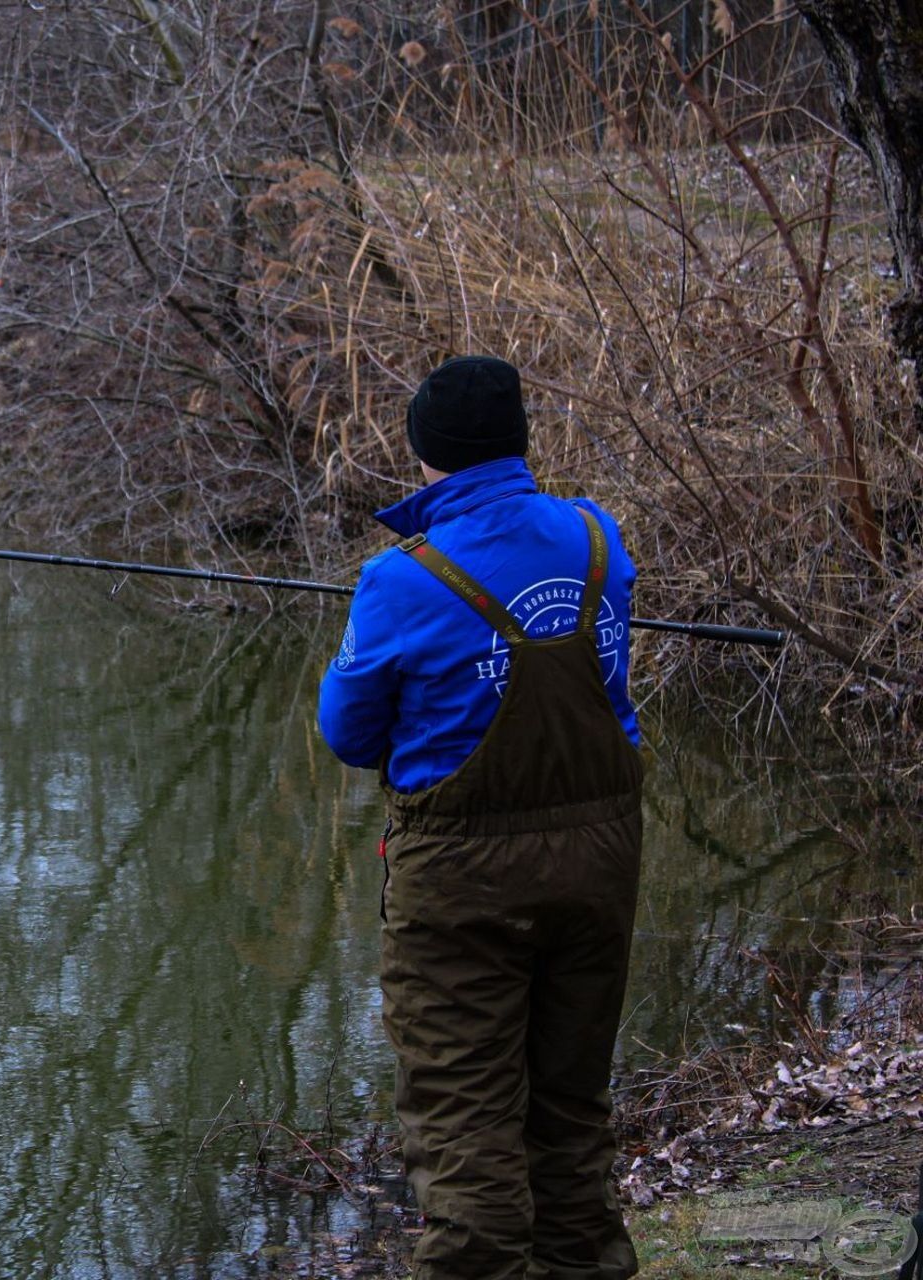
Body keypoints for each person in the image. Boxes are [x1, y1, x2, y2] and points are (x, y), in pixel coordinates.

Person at [318, 355, 644, 1280]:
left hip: (462, 879)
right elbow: (611, 693)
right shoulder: (595, 538)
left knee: (465, 1125)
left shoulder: (398, 578)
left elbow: (347, 732)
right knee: (570, 1109)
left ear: (426, 455)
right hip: (601, 859)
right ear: (517, 441)